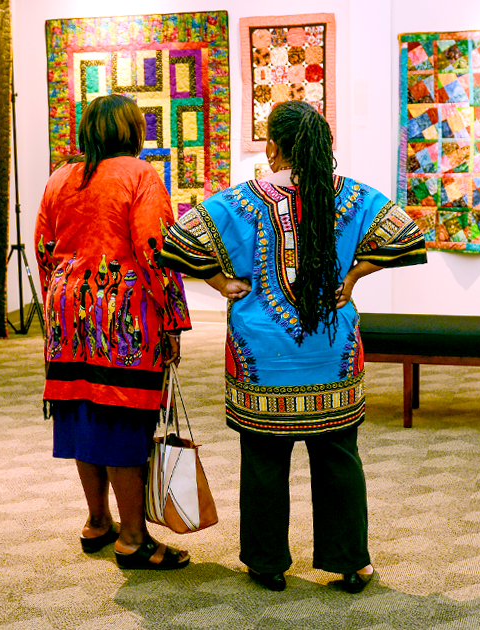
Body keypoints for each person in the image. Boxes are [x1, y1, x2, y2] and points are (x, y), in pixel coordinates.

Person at [160, 100, 427, 593]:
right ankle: (349, 562)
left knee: (263, 459)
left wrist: (222, 283)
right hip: (332, 351)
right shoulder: (351, 197)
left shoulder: (236, 202)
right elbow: (407, 238)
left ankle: (266, 563)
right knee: (338, 456)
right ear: (325, 148)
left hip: (262, 359)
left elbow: (175, 243)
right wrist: (352, 276)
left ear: (273, 147)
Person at [35, 94, 192, 570]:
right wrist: (173, 317)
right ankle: (133, 539)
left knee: (83, 410)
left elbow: (43, 247)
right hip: (121, 316)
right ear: (133, 131)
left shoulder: (61, 176)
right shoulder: (140, 175)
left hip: (67, 311)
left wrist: (59, 300)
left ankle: (97, 521)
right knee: (123, 418)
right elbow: (154, 250)